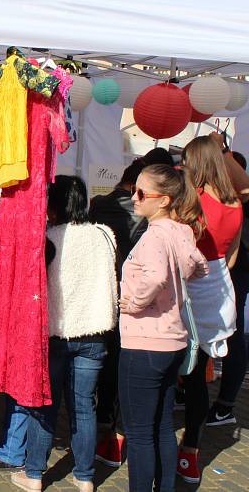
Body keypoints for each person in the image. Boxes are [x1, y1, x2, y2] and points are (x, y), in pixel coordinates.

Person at [13, 176, 118, 492]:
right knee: (84, 407)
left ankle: (34, 475)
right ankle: (85, 478)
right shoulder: (104, 235)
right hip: (95, 333)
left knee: (45, 405)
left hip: (56, 334)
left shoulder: (48, 238)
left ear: (53, 203)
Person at [118, 164, 208, 492]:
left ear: (165, 200)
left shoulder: (156, 234)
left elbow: (157, 276)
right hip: (172, 341)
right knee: (161, 427)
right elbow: (198, 266)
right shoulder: (181, 231)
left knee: (140, 433)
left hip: (145, 342)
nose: (135, 198)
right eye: (134, 191)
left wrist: (135, 301)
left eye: (142, 193)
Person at [177, 136, 243, 484]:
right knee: (198, 376)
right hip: (218, 287)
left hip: (190, 287)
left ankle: (157, 445)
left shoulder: (195, 201)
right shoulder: (235, 204)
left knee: (173, 368)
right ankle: (191, 451)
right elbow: (230, 256)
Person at [88, 158, 147, 466]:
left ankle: (102, 414)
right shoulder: (143, 213)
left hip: (103, 287)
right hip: (131, 291)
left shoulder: (99, 205)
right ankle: (115, 425)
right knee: (121, 358)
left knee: (105, 354)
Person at [207, 150, 249, 427]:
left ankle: (225, 406)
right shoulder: (224, 202)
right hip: (222, 279)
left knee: (231, 335)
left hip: (234, 278)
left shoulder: (238, 201)